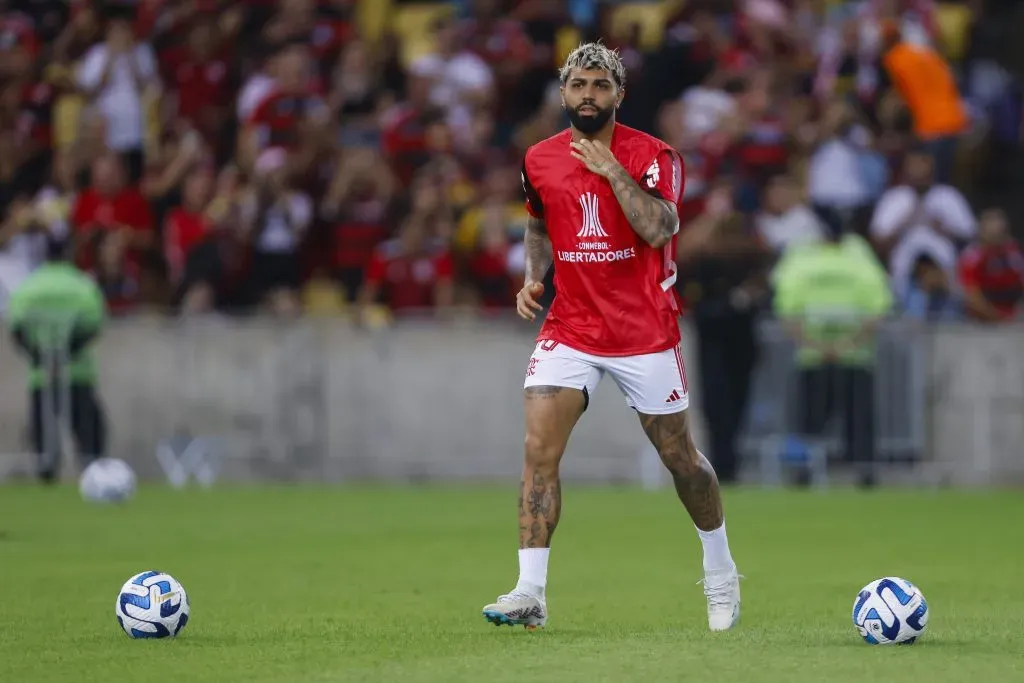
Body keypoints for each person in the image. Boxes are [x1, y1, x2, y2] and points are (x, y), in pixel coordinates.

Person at [481, 43, 741, 632]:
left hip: (644, 330)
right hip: (571, 325)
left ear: (618, 94)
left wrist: (611, 170)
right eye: (578, 85)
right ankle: (530, 592)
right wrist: (532, 277)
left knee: (680, 459)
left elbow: (659, 228)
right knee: (538, 450)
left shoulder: (654, 155)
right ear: (564, 92)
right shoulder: (540, 159)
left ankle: (720, 568)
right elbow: (538, 222)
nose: (588, 96)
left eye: (600, 86)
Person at [5, 240, 108, 483]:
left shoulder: (29, 287)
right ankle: (94, 473)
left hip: (42, 375)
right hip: (77, 371)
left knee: (43, 431)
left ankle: (46, 475)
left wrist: (41, 358)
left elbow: (16, 327)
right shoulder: (82, 284)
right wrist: (67, 353)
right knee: (89, 430)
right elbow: (95, 323)